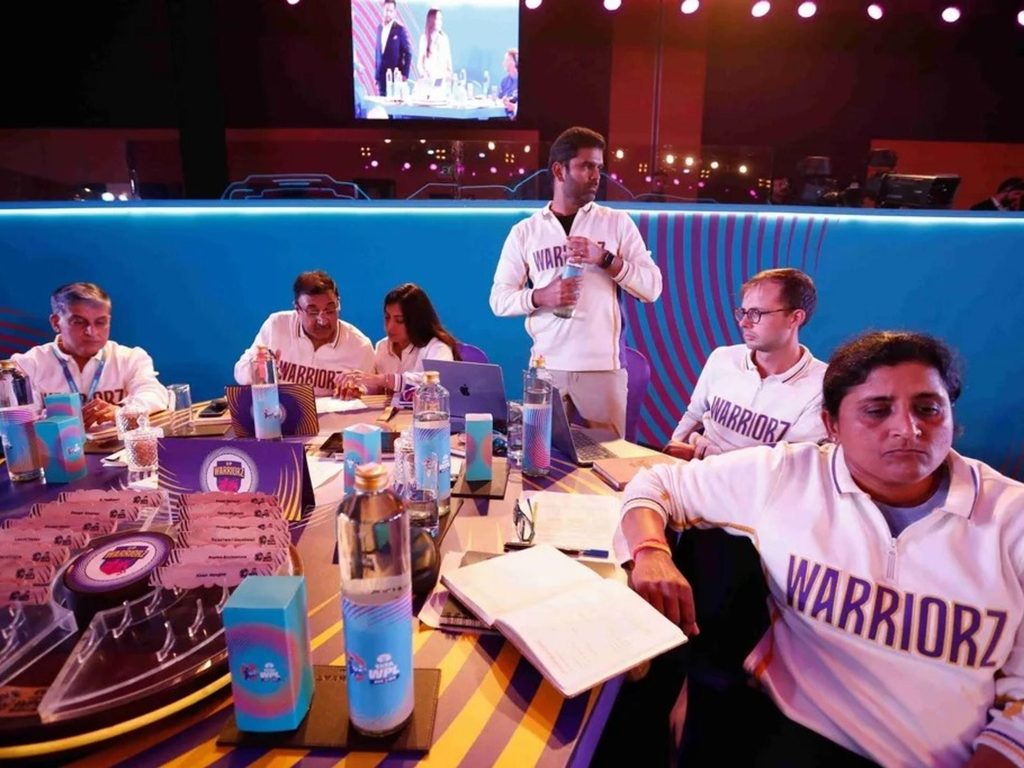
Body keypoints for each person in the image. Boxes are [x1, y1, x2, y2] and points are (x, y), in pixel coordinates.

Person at [619, 330, 1024, 767]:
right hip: (789, 730)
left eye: (928, 409)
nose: (908, 429)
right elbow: (656, 484)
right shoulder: (788, 475)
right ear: (832, 426)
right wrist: (651, 552)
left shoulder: (1011, 519)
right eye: (877, 411)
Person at [489, 126, 663, 438]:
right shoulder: (525, 231)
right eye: (586, 166)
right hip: (545, 367)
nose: (596, 176)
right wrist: (541, 296)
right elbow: (499, 300)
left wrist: (605, 258)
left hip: (602, 368)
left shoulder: (616, 222)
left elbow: (652, 288)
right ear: (559, 170)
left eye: (598, 167)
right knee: (542, 459)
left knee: (608, 461)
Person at [665, 267, 827, 460]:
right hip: (692, 471)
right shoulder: (723, 358)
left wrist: (702, 455)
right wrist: (669, 457)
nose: (744, 323)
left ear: (795, 318)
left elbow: (786, 466)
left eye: (756, 313)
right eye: (743, 312)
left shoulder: (821, 386)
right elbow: (693, 416)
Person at [10, 282, 168, 429]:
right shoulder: (26, 365)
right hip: (55, 448)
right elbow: (18, 423)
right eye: (79, 322)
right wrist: (57, 417)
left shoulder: (130, 358)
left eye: (100, 322)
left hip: (117, 448)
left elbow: (155, 394)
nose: (91, 332)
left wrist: (121, 411)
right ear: (56, 322)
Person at [233, 270, 373, 396]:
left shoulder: (360, 346)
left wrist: (357, 391)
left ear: (339, 304)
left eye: (330, 310)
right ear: (297, 309)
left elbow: (372, 392)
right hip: (280, 413)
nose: (323, 320)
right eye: (313, 311)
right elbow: (240, 371)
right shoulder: (276, 326)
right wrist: (260, 370)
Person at [353, 283, 461, 404]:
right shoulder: (382, 346)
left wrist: (387, 380)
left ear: (417, 321)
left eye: (399, 320)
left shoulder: (437, 347)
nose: (390, 326)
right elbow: (377, 388)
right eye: (387, 317)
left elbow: (437, 384)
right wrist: (359, 389)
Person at [374, 0, 412, 97]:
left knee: (394, 103)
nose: (388, 13)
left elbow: (408, 52)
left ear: (394, 12)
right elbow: (378, 52)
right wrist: (376, 75)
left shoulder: (400, 29)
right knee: (382, 103)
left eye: (391, 11)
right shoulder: (379, 28)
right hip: (381, 77)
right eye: (386, 10)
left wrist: (405, 74)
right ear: (383, 10)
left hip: (395, 78)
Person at [417, 8, 452, 86]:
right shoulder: (424, 38)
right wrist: (424, 75)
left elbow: (448, 61)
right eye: (437, 19)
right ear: (431, 20)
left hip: (441, 80)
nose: (440, 22)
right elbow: (420, 63)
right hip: (428, 81)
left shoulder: (444, 38)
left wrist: (449, 75)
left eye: (441, 19)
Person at [498, 48, 518, 117]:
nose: (503, 63)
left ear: (515, 62)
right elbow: (499, 98)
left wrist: (514, 107)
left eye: (506, 60)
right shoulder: (504, 81)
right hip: (505, 117)